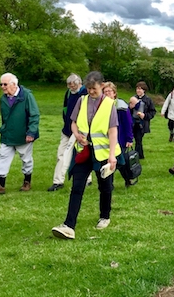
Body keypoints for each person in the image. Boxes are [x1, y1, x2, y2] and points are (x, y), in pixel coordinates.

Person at [52, 71, 121, 240]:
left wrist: (112, 156)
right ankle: (69, 225)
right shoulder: (82, 101)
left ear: (102, 86)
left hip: (103, 153)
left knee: (105, 187)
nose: (91, 92)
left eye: (94, 89)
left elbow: (113, 131)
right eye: (88, 88)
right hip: (83, 152)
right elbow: (73, 123)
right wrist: (77, 135)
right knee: (77, 187)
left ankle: (105, 216)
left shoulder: (109, 104)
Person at [0, 73, 40, 195]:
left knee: (26, 159)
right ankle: (0, 184)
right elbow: (5, 118)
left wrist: (31, 132)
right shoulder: (4, 98)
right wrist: (3, 129)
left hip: (24, 135)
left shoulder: (27, 96)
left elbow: (34, 115)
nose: (2, 87)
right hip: (7, 134)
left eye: (5, 84)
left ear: (14, 84)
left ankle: (27, 181)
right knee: (2, 157)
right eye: (1, 84)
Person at [48, 74, 88, 192]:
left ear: (79, 83)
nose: (71, 88)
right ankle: (58, 181)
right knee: (62, 154)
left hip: (81, 130)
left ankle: (87, 178)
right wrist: (66, 123)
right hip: (67, 130)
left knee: (83, 154)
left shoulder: (86, 93)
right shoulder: (68, 93)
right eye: (69, 85)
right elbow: (65, 109)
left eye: (73, 85)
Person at [103, 82, 135, 187]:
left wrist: (129, 139)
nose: (107, 93)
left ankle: (127, 178)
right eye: (105, 91)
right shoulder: (102, 106)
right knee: (110, 161)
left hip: (120, 138)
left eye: (109, 91)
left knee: (120, 162)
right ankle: (110, 184)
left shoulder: (120, 106)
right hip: (106, 139)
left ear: (114, 93)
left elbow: (128, 123)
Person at [134, 81, 156, 155]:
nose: (138, 90)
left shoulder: (148, 100)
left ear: (144, 90)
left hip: (142, 124)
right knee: (136, 139)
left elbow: (153, 112)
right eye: (137, 89)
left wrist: (145, 116)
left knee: (138, 139)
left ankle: (138, 155)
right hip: (133, 123)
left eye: (140, 89)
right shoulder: (133, 98)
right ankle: (138, 155)